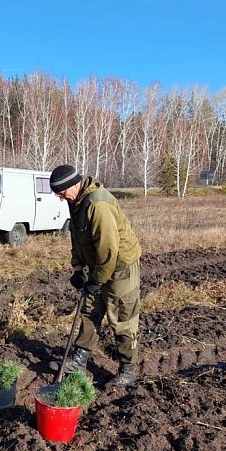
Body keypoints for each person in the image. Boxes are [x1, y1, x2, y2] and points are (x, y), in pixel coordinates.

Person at [49, 164, 142, 387]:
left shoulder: (98, 203)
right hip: (98, 265)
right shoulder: (77, 202)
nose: (62, 199)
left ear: (74, 184)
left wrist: (97, 280)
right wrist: (78, 268)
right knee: (90, 310)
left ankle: (128, 369)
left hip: (119, 267)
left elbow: (108, 248)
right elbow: (77, 239)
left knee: (121, 317)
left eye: (62, 194)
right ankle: (80, 360)